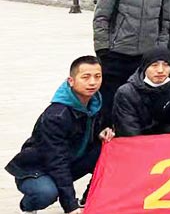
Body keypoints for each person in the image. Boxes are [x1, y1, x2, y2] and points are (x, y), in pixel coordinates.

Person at [6, 56, 113, 214]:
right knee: (46, 193)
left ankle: (90, 199)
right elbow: (57, 160)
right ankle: (29, 207)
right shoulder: (57, 115)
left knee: (110, 149)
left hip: (70, 160)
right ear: (71, 81)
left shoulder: (96, 102)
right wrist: (70, 205)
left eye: (97, 76)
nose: (92, 82)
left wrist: (102, 131)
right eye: (85, 77)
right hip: (37, 168)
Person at [92, 0, 170, 125]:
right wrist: (103, 50)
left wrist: (160, 50)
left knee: (143, 107)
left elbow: (165, 21)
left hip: (146, 58)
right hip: (117, 54)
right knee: (110, 105)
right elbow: (101, 17)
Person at [112, 47, 170, 137]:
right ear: (145, 67)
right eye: (154, 65)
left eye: (166, 65)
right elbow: (129, 131)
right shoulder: (126, 93)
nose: (160, 70)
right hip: (139, 143)